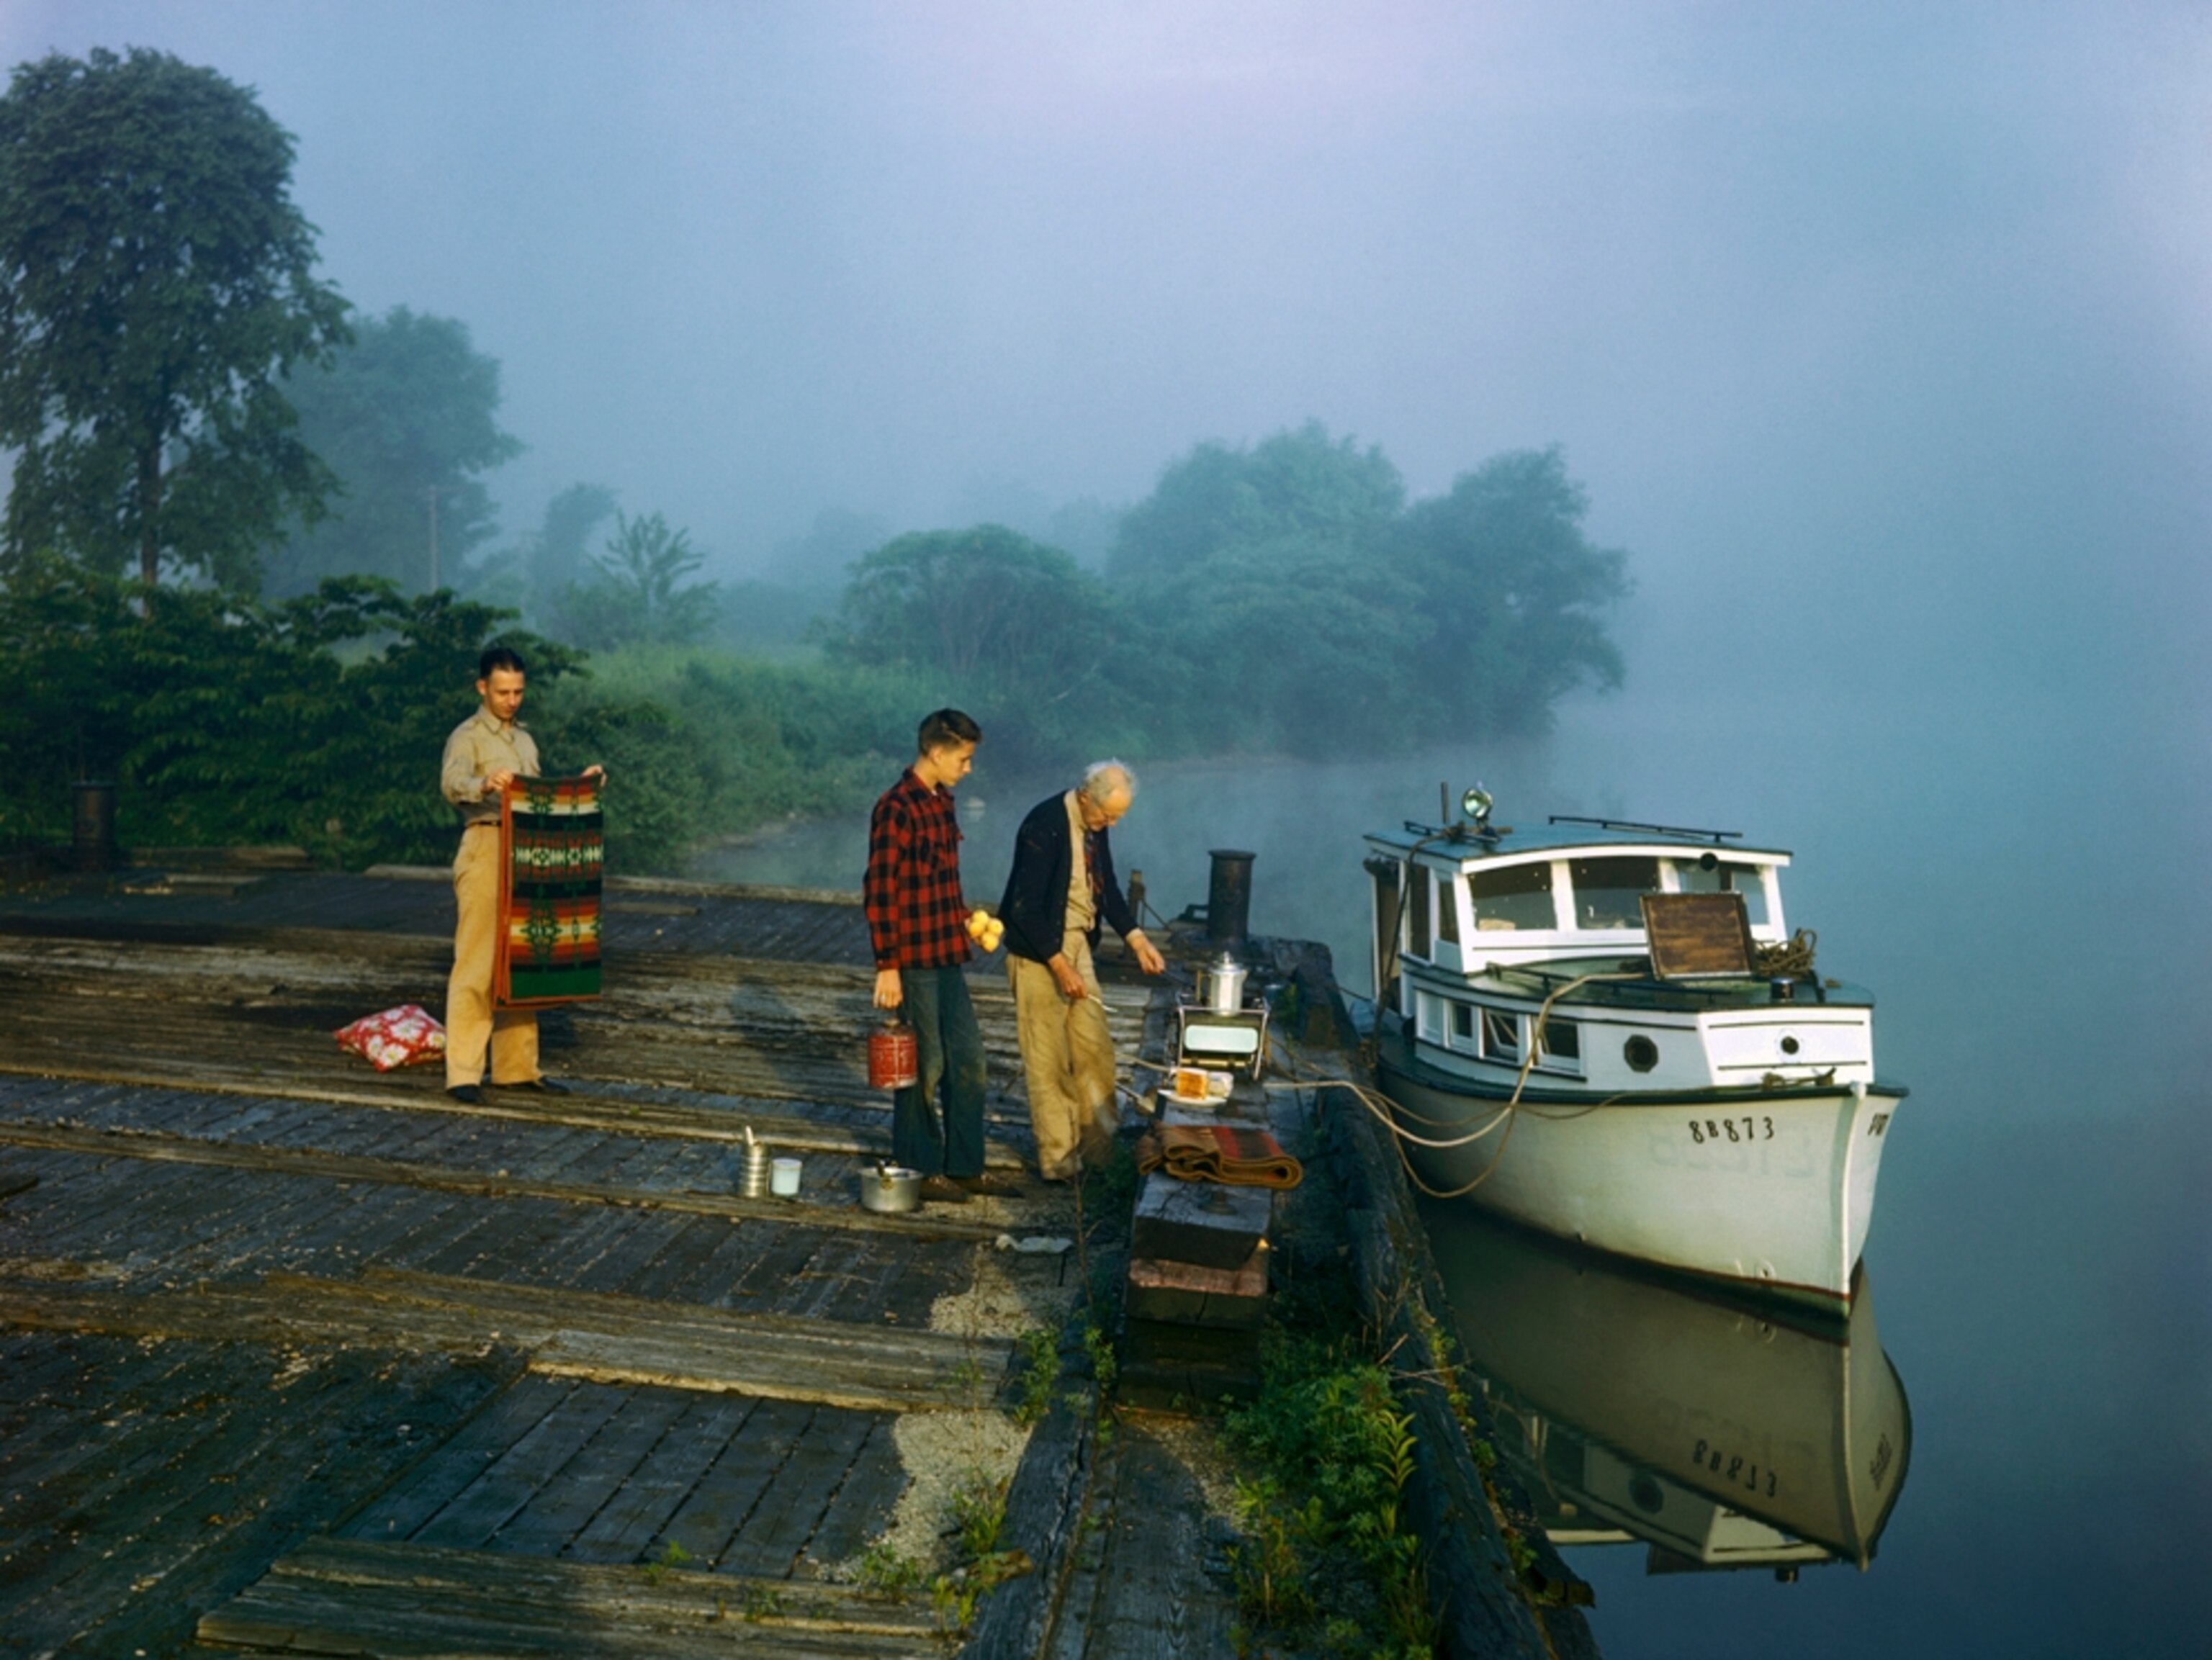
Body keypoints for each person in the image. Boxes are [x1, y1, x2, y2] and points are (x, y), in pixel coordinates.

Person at [440, 644, 603, 1104]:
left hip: (526, 853)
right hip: (486, 843)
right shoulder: (467, 736)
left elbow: (538, 797)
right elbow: (450, 785)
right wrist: (483, 783)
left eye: (518, 692)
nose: (511, 700)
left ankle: (516, 1069)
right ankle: (465, 1074)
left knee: (521, 959)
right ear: (482, 688)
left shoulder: (526, 742)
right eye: (503, 692)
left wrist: (582, 784)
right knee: (476, 963)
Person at [863, 709, 1014, 1205]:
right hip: (912, 958)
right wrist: (888, 965)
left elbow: (942, 881)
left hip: (947, 951)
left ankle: (965, 1165)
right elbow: (880, 891)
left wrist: (967, 917)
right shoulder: (896, 807)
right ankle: (920, 1168)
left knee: (969, 1059)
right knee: (924, 1066)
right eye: (964, 759)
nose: (968, 769)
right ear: (936, 751)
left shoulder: (942, 802)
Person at [998, 761, 1167, 1181]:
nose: (1112, 822)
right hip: (1038, 954)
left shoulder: (1096, 825)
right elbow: (1025, 907)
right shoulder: (1044, 824)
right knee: (1048, 1061)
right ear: (1086, 797)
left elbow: (1105, 886)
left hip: (1077, 946)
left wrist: (1136, 938)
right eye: (1109, 815)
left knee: (1095, 1051)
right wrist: (1058, 965)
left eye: (1119, 816)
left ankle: (1100, 1155)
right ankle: (1060, 1162)